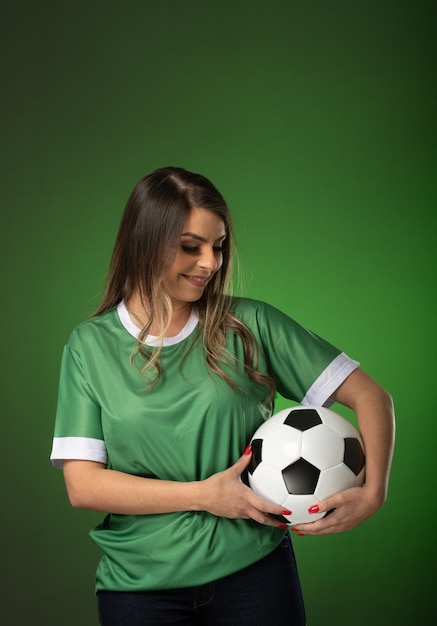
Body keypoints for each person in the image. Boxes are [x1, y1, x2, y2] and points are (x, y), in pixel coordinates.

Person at [50, 166, 395, 626]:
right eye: (191, 247)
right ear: (145, 241)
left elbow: (372, 397)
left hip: (255, 576)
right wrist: (205, 495)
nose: (211, 263)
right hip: (140, 586)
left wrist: (373, 493)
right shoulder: (89, 347)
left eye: (219, 246)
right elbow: (83, 485)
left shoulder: (249, 325)